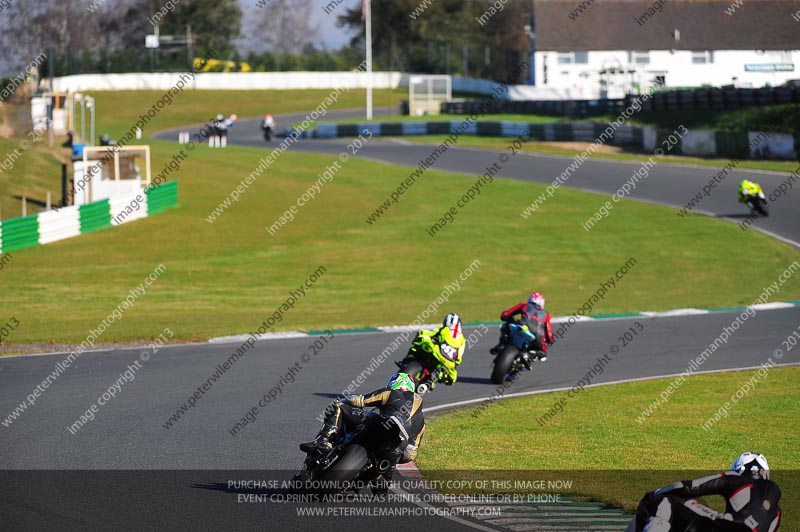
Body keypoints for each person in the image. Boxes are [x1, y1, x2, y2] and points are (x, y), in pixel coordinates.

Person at [300, 373, 425, 482]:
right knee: (382, 478)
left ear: (393, 384)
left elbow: (360, 401)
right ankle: (378, 477)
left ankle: (324, 440)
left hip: (382, 425)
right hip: (396, 447)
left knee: (339, 406)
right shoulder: (422, 422)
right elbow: (410, 455)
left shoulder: (390, 393)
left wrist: (344, 400)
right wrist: (398, 457)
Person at [635, 452, 781, 532]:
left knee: (666, 500)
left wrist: (655, 493)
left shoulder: (736, 479)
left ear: (739, 469)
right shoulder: (777, 513)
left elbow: (691, 486)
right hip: (728, 527)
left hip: (731, 527)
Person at [397, 313, 466, 388]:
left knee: (418, 342)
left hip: (437, 351)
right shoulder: (463, 340)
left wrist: (422, 336)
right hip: (448, 362)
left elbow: (425, 333)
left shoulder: (443, 329)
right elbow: (459, 358)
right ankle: (431, 381)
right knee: (446, 375)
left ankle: (407, 360)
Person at [491, 292, 554, 362]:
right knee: (543, 353)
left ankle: (501, 344)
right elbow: (549, 332)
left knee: (506, 325)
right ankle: (529, 355)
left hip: (523, 326)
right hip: (537, 335)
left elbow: (505, 314)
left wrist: (506, 318)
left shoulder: (524, 305)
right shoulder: (546, 314)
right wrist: (550, 340)